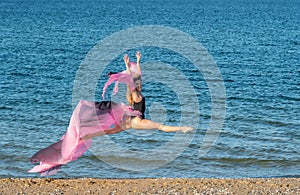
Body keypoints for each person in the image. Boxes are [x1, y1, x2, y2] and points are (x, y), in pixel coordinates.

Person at [81, 52, 194, 140]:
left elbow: (137, 76)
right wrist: (126, 65)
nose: (141, 83)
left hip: (128, 121)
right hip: (137, 121)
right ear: (135, 85)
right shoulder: (135, 93)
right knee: (161, 127)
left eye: (140, 82)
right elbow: (131, 79)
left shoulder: (134, 93)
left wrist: (138, 62)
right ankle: (182, 129)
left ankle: (87, 136)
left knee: (110, 131)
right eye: (139, 83)